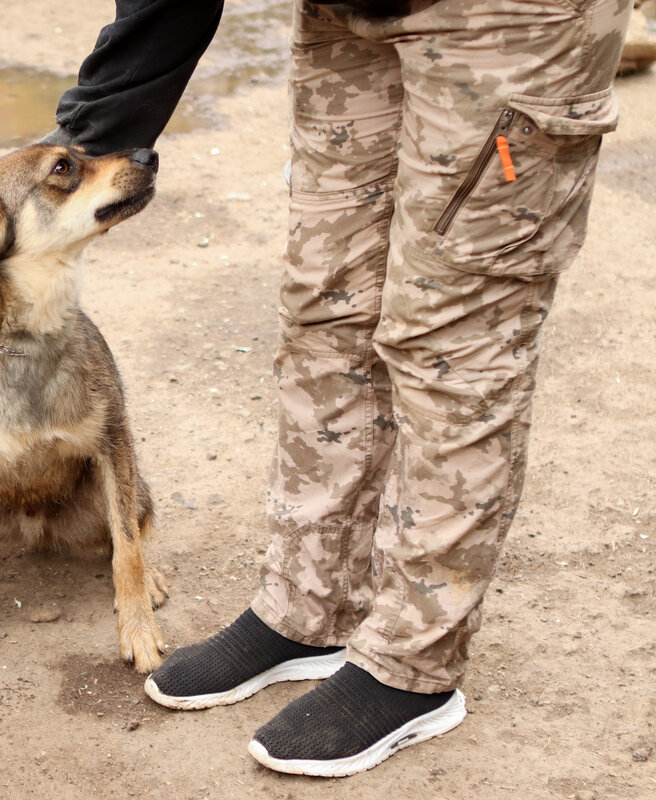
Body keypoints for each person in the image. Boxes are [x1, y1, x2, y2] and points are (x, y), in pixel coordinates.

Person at [42, 0, 630, 778]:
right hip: (345, 14)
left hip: (506, 21)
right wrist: (92, 136)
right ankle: (308, 607)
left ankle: (414, 668)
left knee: (452, 344)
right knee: (327, 314)